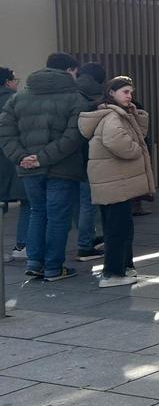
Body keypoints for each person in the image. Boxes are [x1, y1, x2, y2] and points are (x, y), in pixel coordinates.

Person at [0, 53, 86, 282]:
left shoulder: (19, 98)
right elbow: (73, 136)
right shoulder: (75, 98)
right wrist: (42, 158)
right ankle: (53, 267)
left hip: (28, 169)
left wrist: (21, 158)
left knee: (38, 212)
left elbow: (6, 131)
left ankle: (34, 263)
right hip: (62, 167)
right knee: (58, 218)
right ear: (69, 71)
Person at [78, 77, 154, 287]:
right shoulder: (112, 117)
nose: (130, 96)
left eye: (131, 92)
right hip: (115, 182)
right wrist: (138, 149)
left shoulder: (115, 114)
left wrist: (135, 114)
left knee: (118, 227)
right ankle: (113, 273)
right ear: (111, 92)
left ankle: (124, 267)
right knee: (118, 229)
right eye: (125, 92)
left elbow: (138, 132)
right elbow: (118, 142)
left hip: (112, 180)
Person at [73, 61, 107, 262]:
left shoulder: (71, 91)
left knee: (79, 203)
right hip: (86, 155)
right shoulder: (93, 96)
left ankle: (88, 238)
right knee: (88, 203)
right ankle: (85, 245)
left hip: (67, 158)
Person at [0, 68, 30, 262]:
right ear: (7, 82)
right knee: (28, 200)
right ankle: (23, 244)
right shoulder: (15, 100)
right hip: (12, 158)